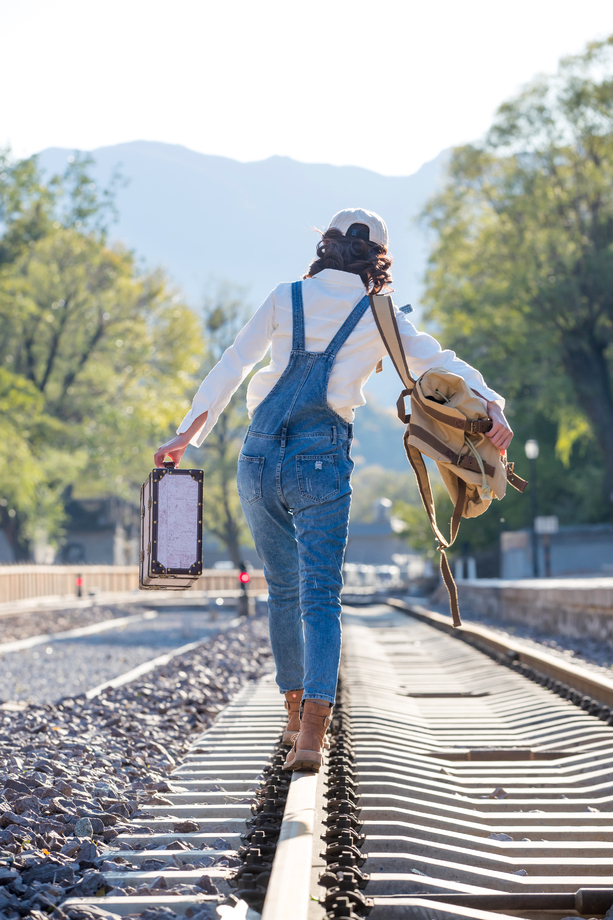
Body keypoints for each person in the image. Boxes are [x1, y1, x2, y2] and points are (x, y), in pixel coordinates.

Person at [154, 208, 513, 771]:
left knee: (283, 590)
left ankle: (292, 713)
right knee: (320, 594)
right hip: (320, 459)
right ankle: (311, 737)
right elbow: (440, 362)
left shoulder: (285, 297)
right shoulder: (380, 314)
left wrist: (187, 433)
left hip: (258, 456)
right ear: (378, 260)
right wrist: (492, 404)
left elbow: (234, 363)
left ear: (326, 245)